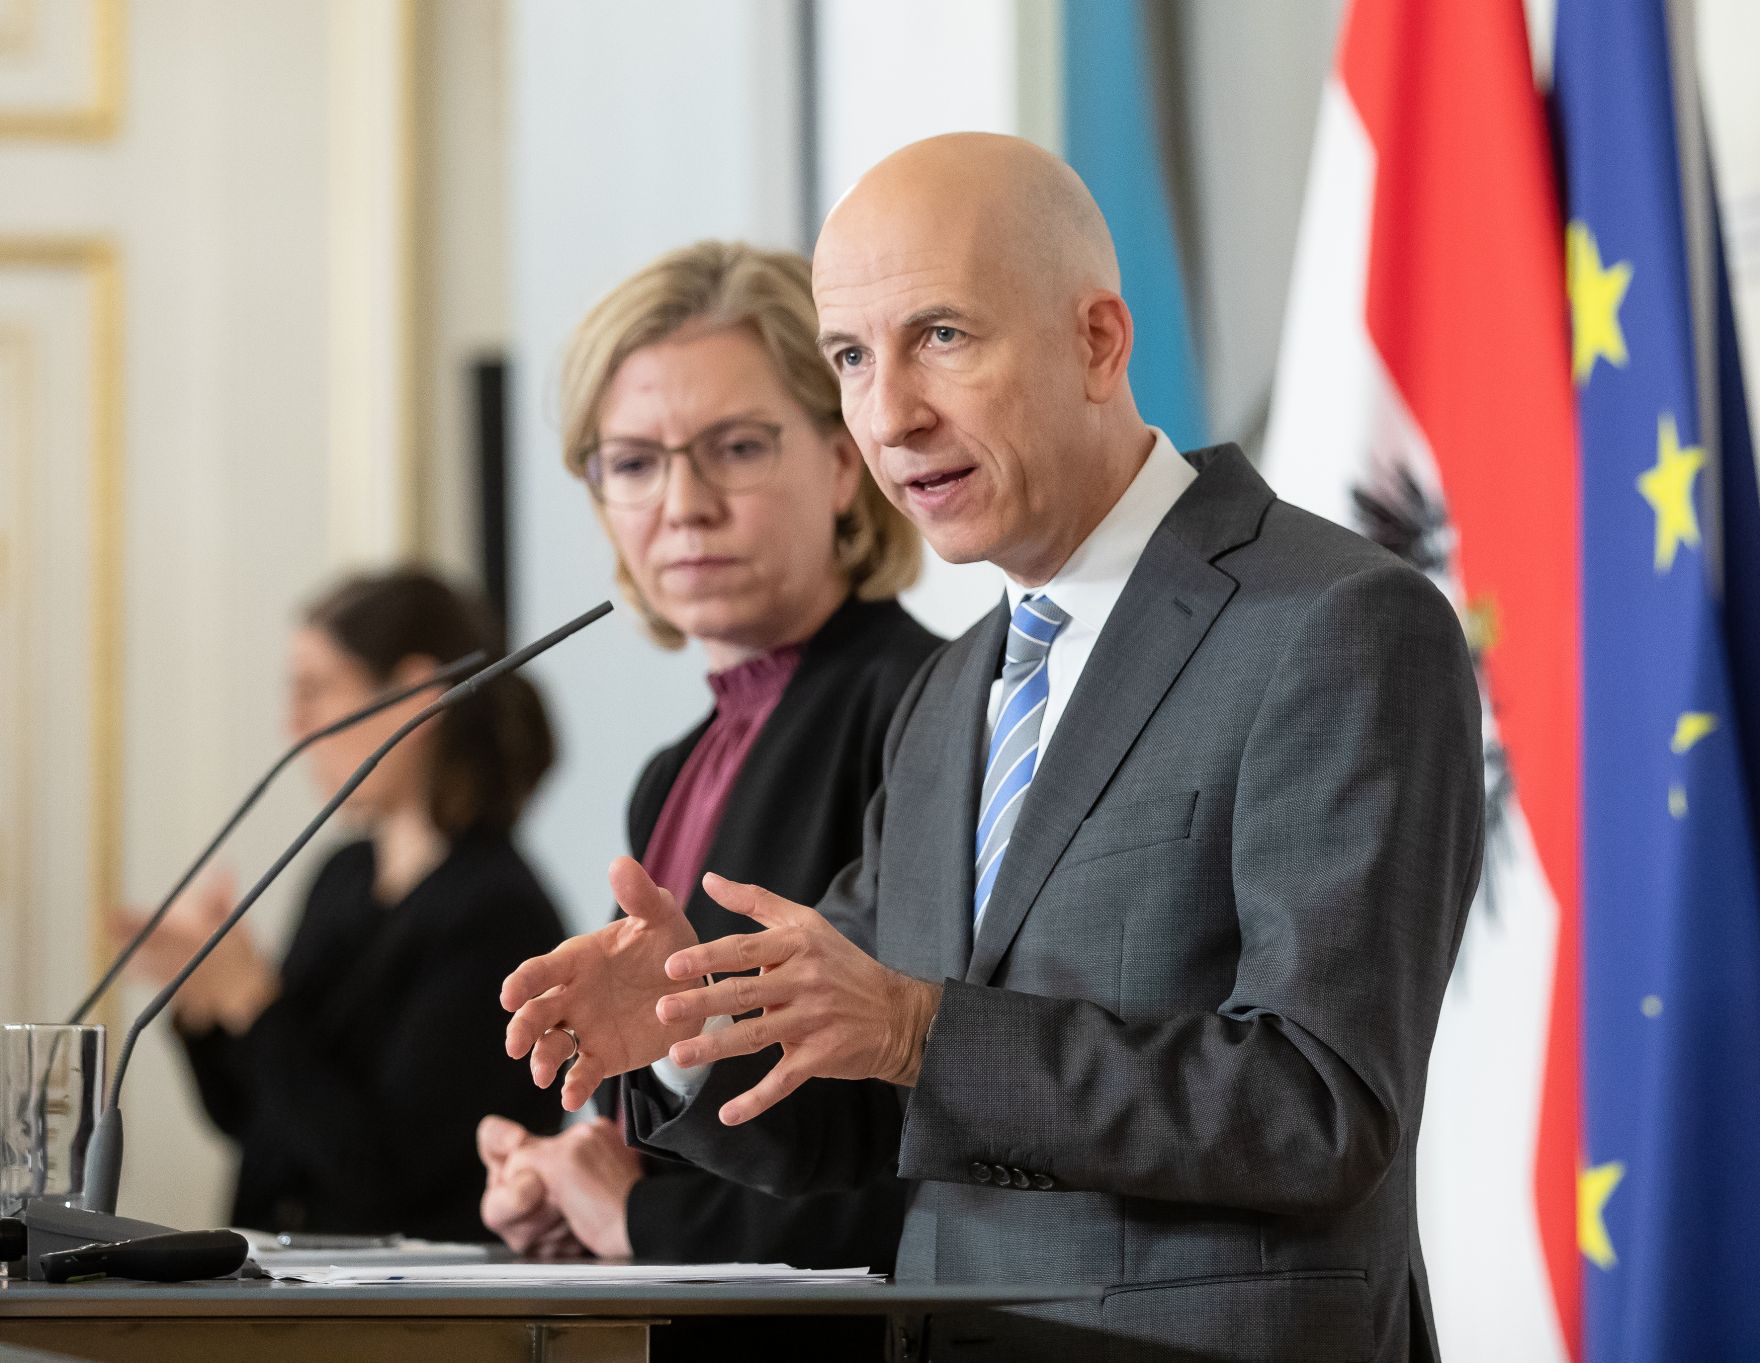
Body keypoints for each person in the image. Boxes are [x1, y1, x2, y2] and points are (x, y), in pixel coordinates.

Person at [501, 135, 1483, 1362]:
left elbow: (1316, 1104)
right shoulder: (952, 689)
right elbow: (860, 1111)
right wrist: (695, 1029)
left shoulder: (1332, 623)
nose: (891, 415)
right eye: (852, 358)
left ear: (1097, 342)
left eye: (943, 338)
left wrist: (924, 1031)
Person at [476, 241, 937, 1275]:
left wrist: (641, 1223)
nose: (681, 505)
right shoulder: (671, 769)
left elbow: (913, 1142)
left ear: (838, 461)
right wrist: (570, 1176)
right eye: (633, 462)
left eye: (734, 448)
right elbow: (676, 1093)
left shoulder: (927, 708)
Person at [118, 568, 566, 1241]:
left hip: (406, 1313)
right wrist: (208, 1003)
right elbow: (259, 1123)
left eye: (315, 690)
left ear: (414, 695)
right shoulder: (343, 876)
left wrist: (254, 1005)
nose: (293, 724)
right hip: (276, 1276)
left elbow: (382, 1173)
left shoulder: (498, 914)